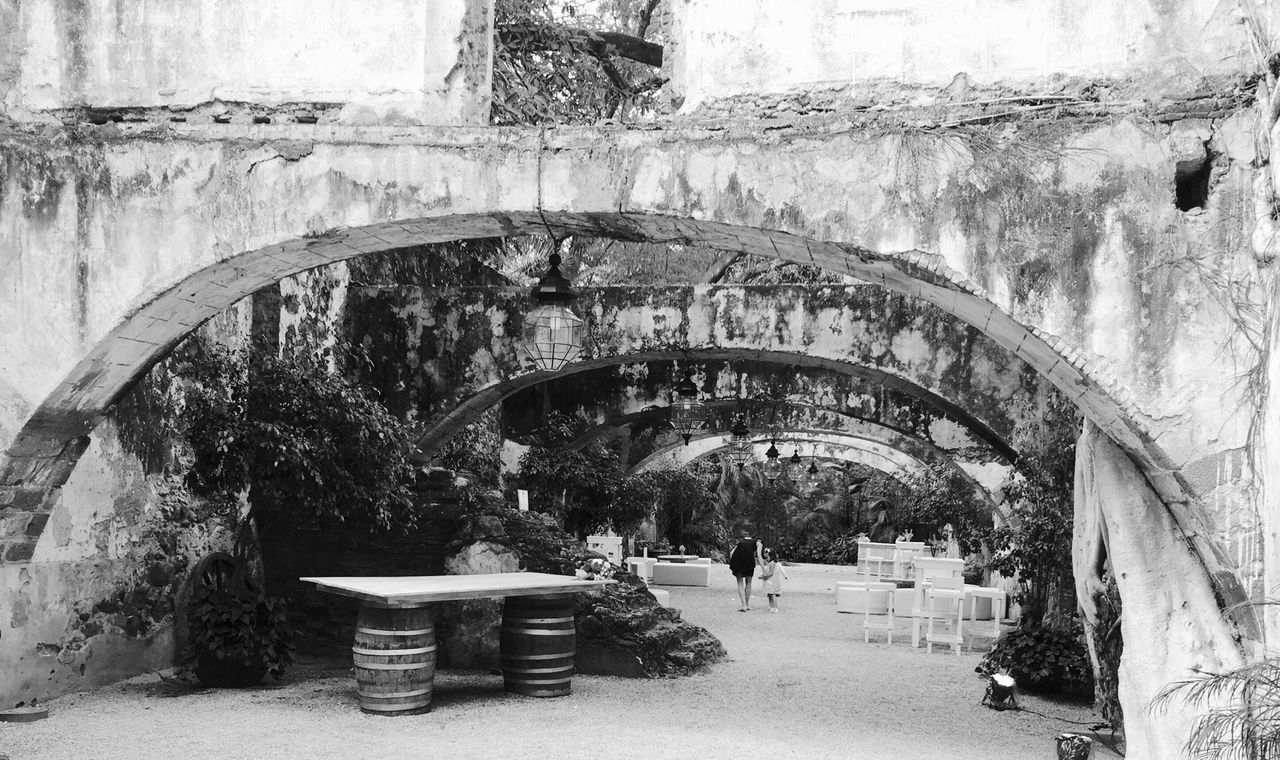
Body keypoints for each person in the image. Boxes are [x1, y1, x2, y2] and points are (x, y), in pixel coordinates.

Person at [728, 533, 762, 611]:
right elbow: (759, 555)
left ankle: (743, 605)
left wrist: (733, 562)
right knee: (749, 582)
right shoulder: (757, 542)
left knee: (740, 582)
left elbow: (731, 553)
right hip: (749, 561)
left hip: (738, 560)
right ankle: (747, 604)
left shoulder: (740, 542)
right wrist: (763, 569)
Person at [758, 548, 789, 613]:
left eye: (767, 557)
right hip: (770, 581)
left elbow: (771, 573)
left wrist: (764, 576)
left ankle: (775, 607)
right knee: (769, 594)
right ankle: (771, 606)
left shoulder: (772, 563)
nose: (765, 559)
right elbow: (766, 570)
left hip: (772, 581)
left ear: (771, 556)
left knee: (772, 594)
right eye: (765, 557)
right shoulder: (770, 563)